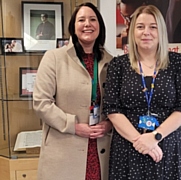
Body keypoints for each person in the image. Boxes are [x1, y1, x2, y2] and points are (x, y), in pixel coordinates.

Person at [103, 5, 181, 179]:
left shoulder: (179, 63)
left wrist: (154, 137)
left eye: (152, 27)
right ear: (132, 32)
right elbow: (112, 108)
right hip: (127, 148)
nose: (146, 32)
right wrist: (139, 141)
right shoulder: (118, 65)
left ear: (161, 31)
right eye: (140, 27)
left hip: (165, 146)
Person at [33, 2, 113, 180]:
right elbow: (41, 103)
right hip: (64, 150)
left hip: (101, 150)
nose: (87, 24)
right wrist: (74, 127)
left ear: (100, 26)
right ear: (73, 27)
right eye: (81, 20)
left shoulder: (112, 63)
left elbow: (117, 105)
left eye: (93, 19)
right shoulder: (54, 58)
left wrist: (108, 124)